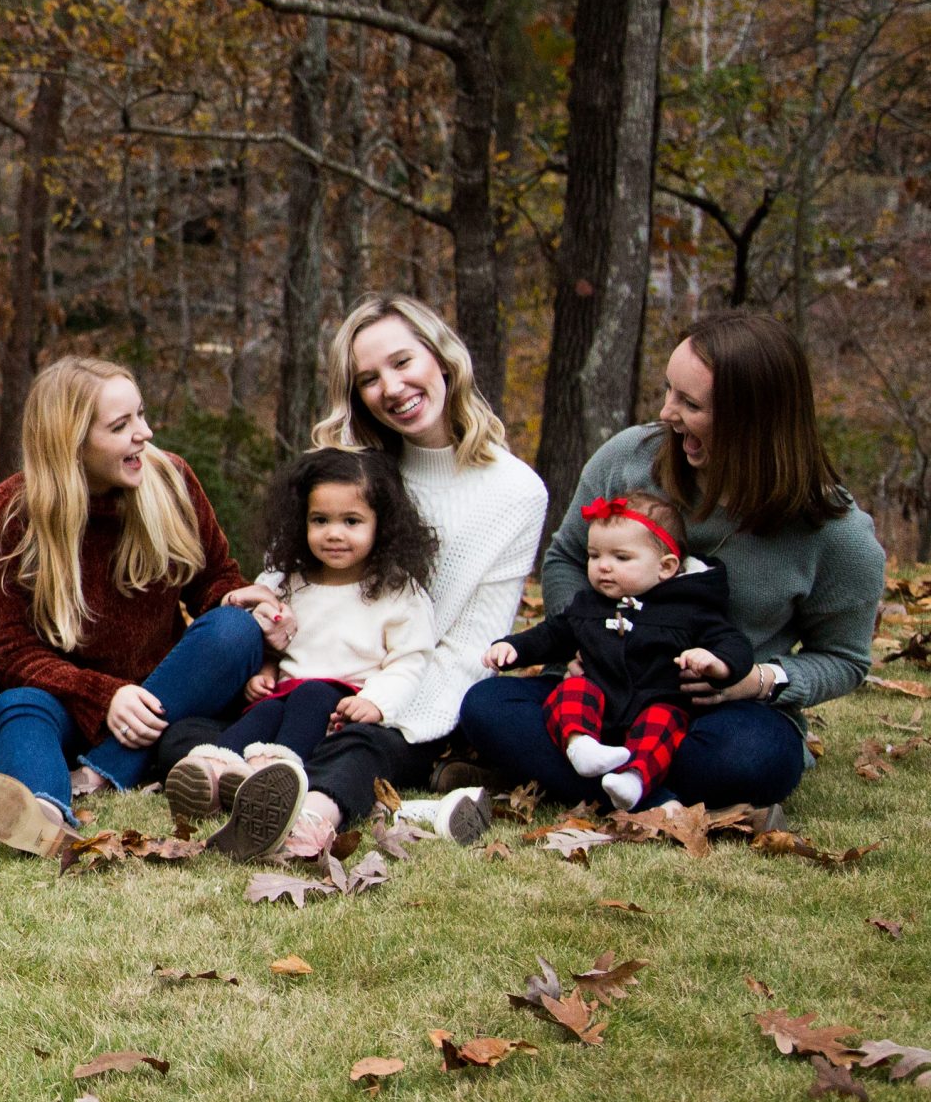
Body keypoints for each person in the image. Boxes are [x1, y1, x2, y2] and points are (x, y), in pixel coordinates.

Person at [153, 294, 549, 853]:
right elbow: (286, 584)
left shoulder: (515, 493)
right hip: (299, 686)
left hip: (402, 699)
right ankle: (228, 779)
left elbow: (469, 647)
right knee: (189, 735)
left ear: (442, 358)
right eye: (368, 378)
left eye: (403, 362)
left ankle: (307, 817)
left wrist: (381, 708)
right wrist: (267, 638)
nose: (390, 387)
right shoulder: (352, 472)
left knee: (359, 750)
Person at [460, 308, 882, 810]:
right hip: (601, 694)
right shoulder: (628, 459)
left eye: (689, 402)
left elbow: (844, 659)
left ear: (753, 419)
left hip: (716, 714)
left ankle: (590, 782)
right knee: (488, 706)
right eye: (668, 390)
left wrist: (758, 681)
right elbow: (567, 557)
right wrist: (587, 639)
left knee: (756, 757)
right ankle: (662, 800)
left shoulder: (836, 533)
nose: (666, 412)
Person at [0, 356, 274, 857]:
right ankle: (45, 814)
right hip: (66, 700)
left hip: (164, 700)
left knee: (235, 630)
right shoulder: (12, 512)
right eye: (122, 426)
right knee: (16, 706)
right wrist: (106, 695)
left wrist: (250, 603)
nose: (144, 434)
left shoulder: (171, 481)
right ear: (71, 442)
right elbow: (13, 652)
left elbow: (214, 584)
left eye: (141, 416)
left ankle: (103, 770)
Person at [159, 447, 437, 859]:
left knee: (312, 697)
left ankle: (270, 774)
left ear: (383, 525)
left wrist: (377, 702)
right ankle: (216, 771)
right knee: (217, 723)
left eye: (352, 521)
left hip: (344, 709)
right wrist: (265, 671)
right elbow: (273, 641)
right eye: (320, 520)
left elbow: (410, 660)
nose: (334, 533)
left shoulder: (398, 592)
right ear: (300, 521)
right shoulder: (286, 581)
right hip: (284, 702)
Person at [482, 491, 749, 811]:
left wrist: (717, 663)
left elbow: (733, 643)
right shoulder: (589, 606)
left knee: (664, 723)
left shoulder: (690, 608)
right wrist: (513, 647)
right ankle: (581, 747)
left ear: (665, 567)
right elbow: (553, 634)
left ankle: (633, 781)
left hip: (654, 702)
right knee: (572, 690)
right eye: (594, 556)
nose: (603, 567)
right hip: (599, 706)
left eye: (621, 558)